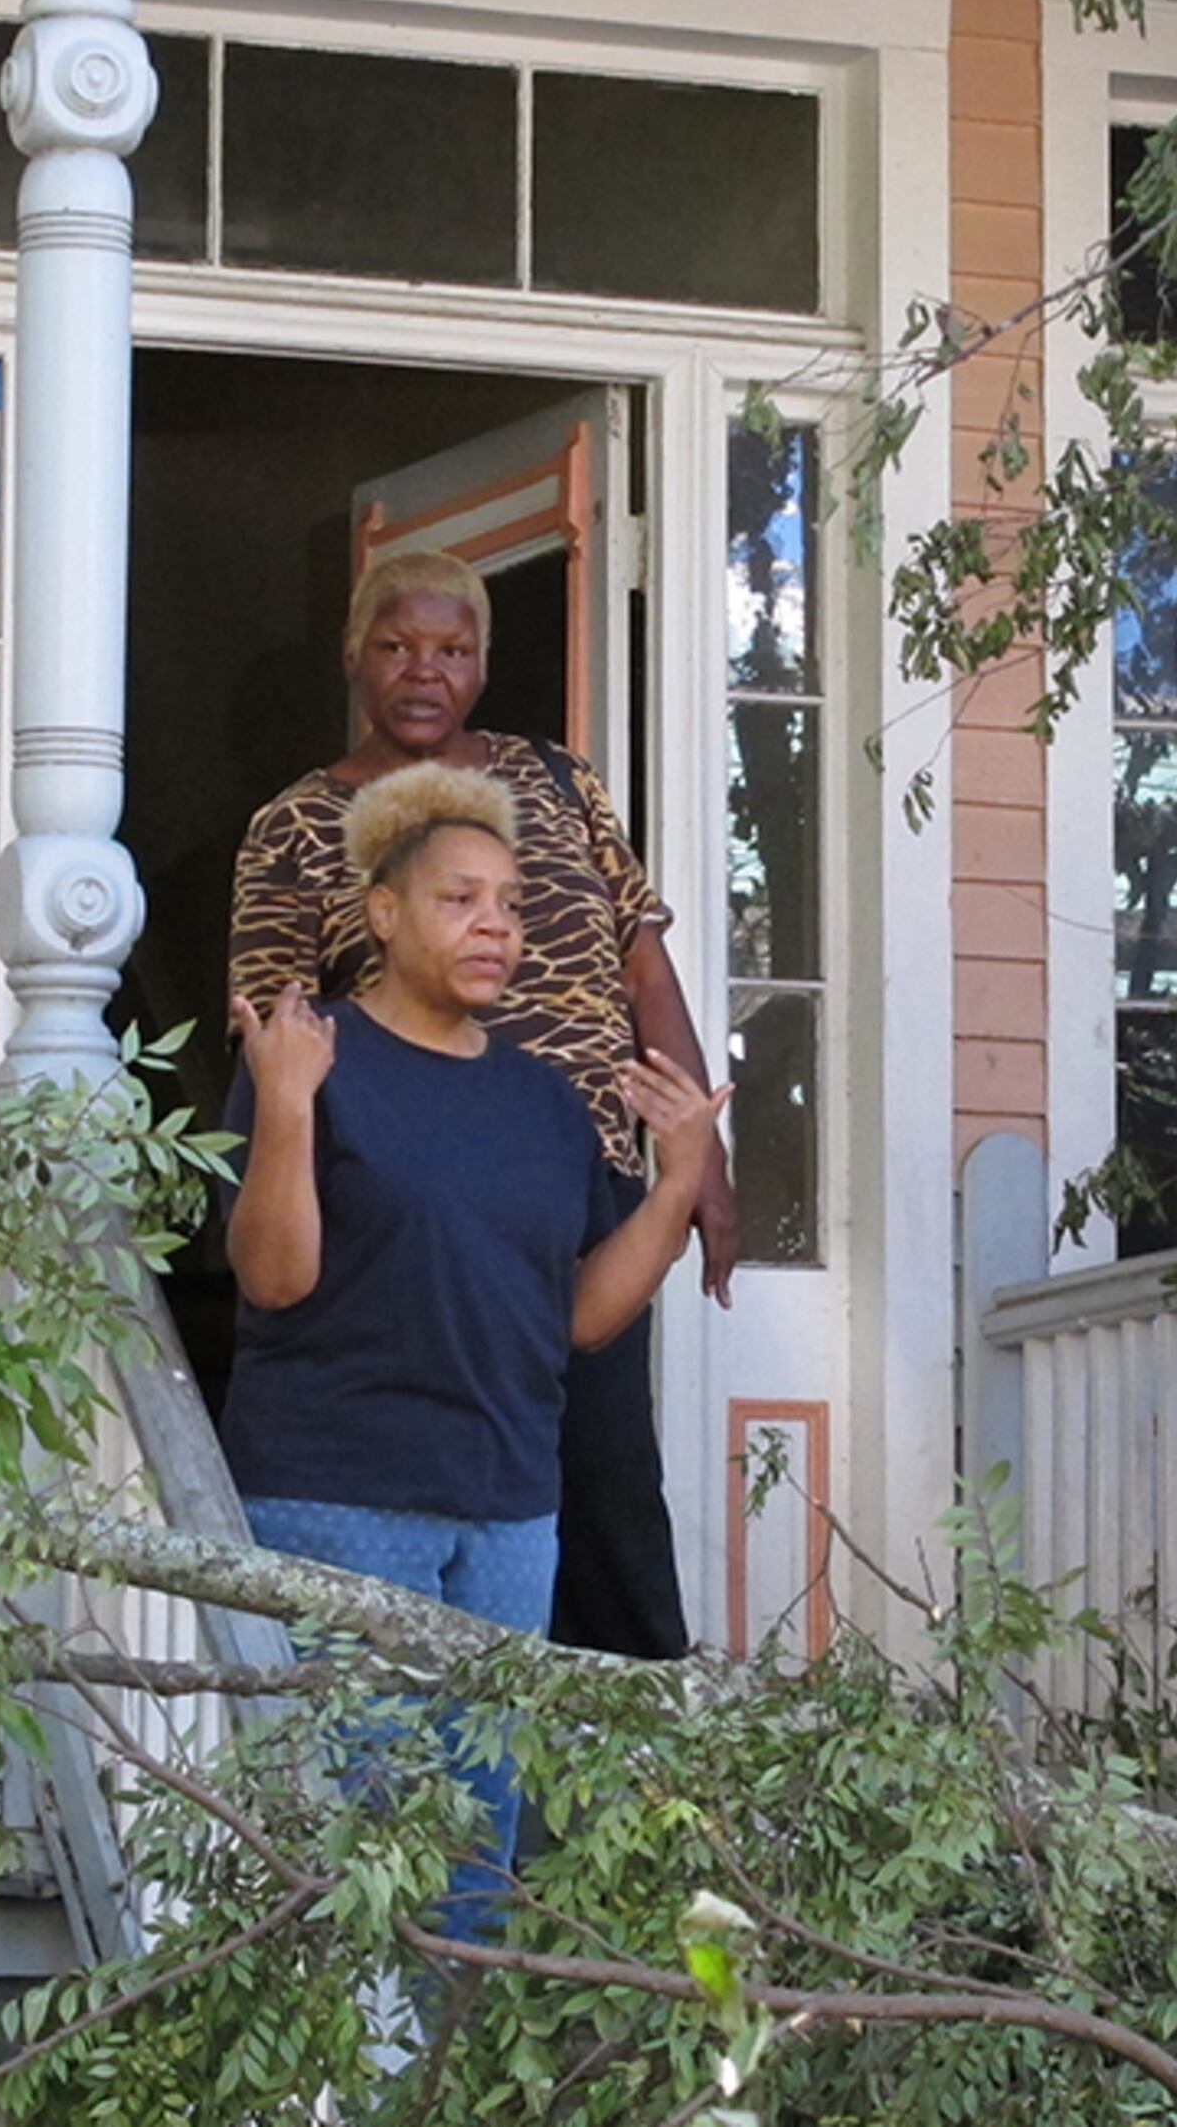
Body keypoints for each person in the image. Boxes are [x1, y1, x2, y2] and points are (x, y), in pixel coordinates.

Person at [221, 761, 725, 1937]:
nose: (495, 923)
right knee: (357, 1840)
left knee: (473, 1858)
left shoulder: (547, 1102)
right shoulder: (312, 1056)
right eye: (460, 899)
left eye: (509, 902)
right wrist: (286, 1108)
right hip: (339, 1499)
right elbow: (274, 1275)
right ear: (384, 913)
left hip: (505, 1514)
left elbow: (581, 1318)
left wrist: (682, 1178)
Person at [228, 546, 730, 1663]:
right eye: (400, 645)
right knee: (432, 1476)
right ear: (356, 652)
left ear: (485, 662)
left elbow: (644, 964)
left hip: (572, 1169)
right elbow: (271, 1020)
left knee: (602, 1477)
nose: (425, 671)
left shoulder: (555, 783)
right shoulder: (298, 823)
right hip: (398, 1176)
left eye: (453, 649)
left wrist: (702, 1161)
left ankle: (626, 1780)